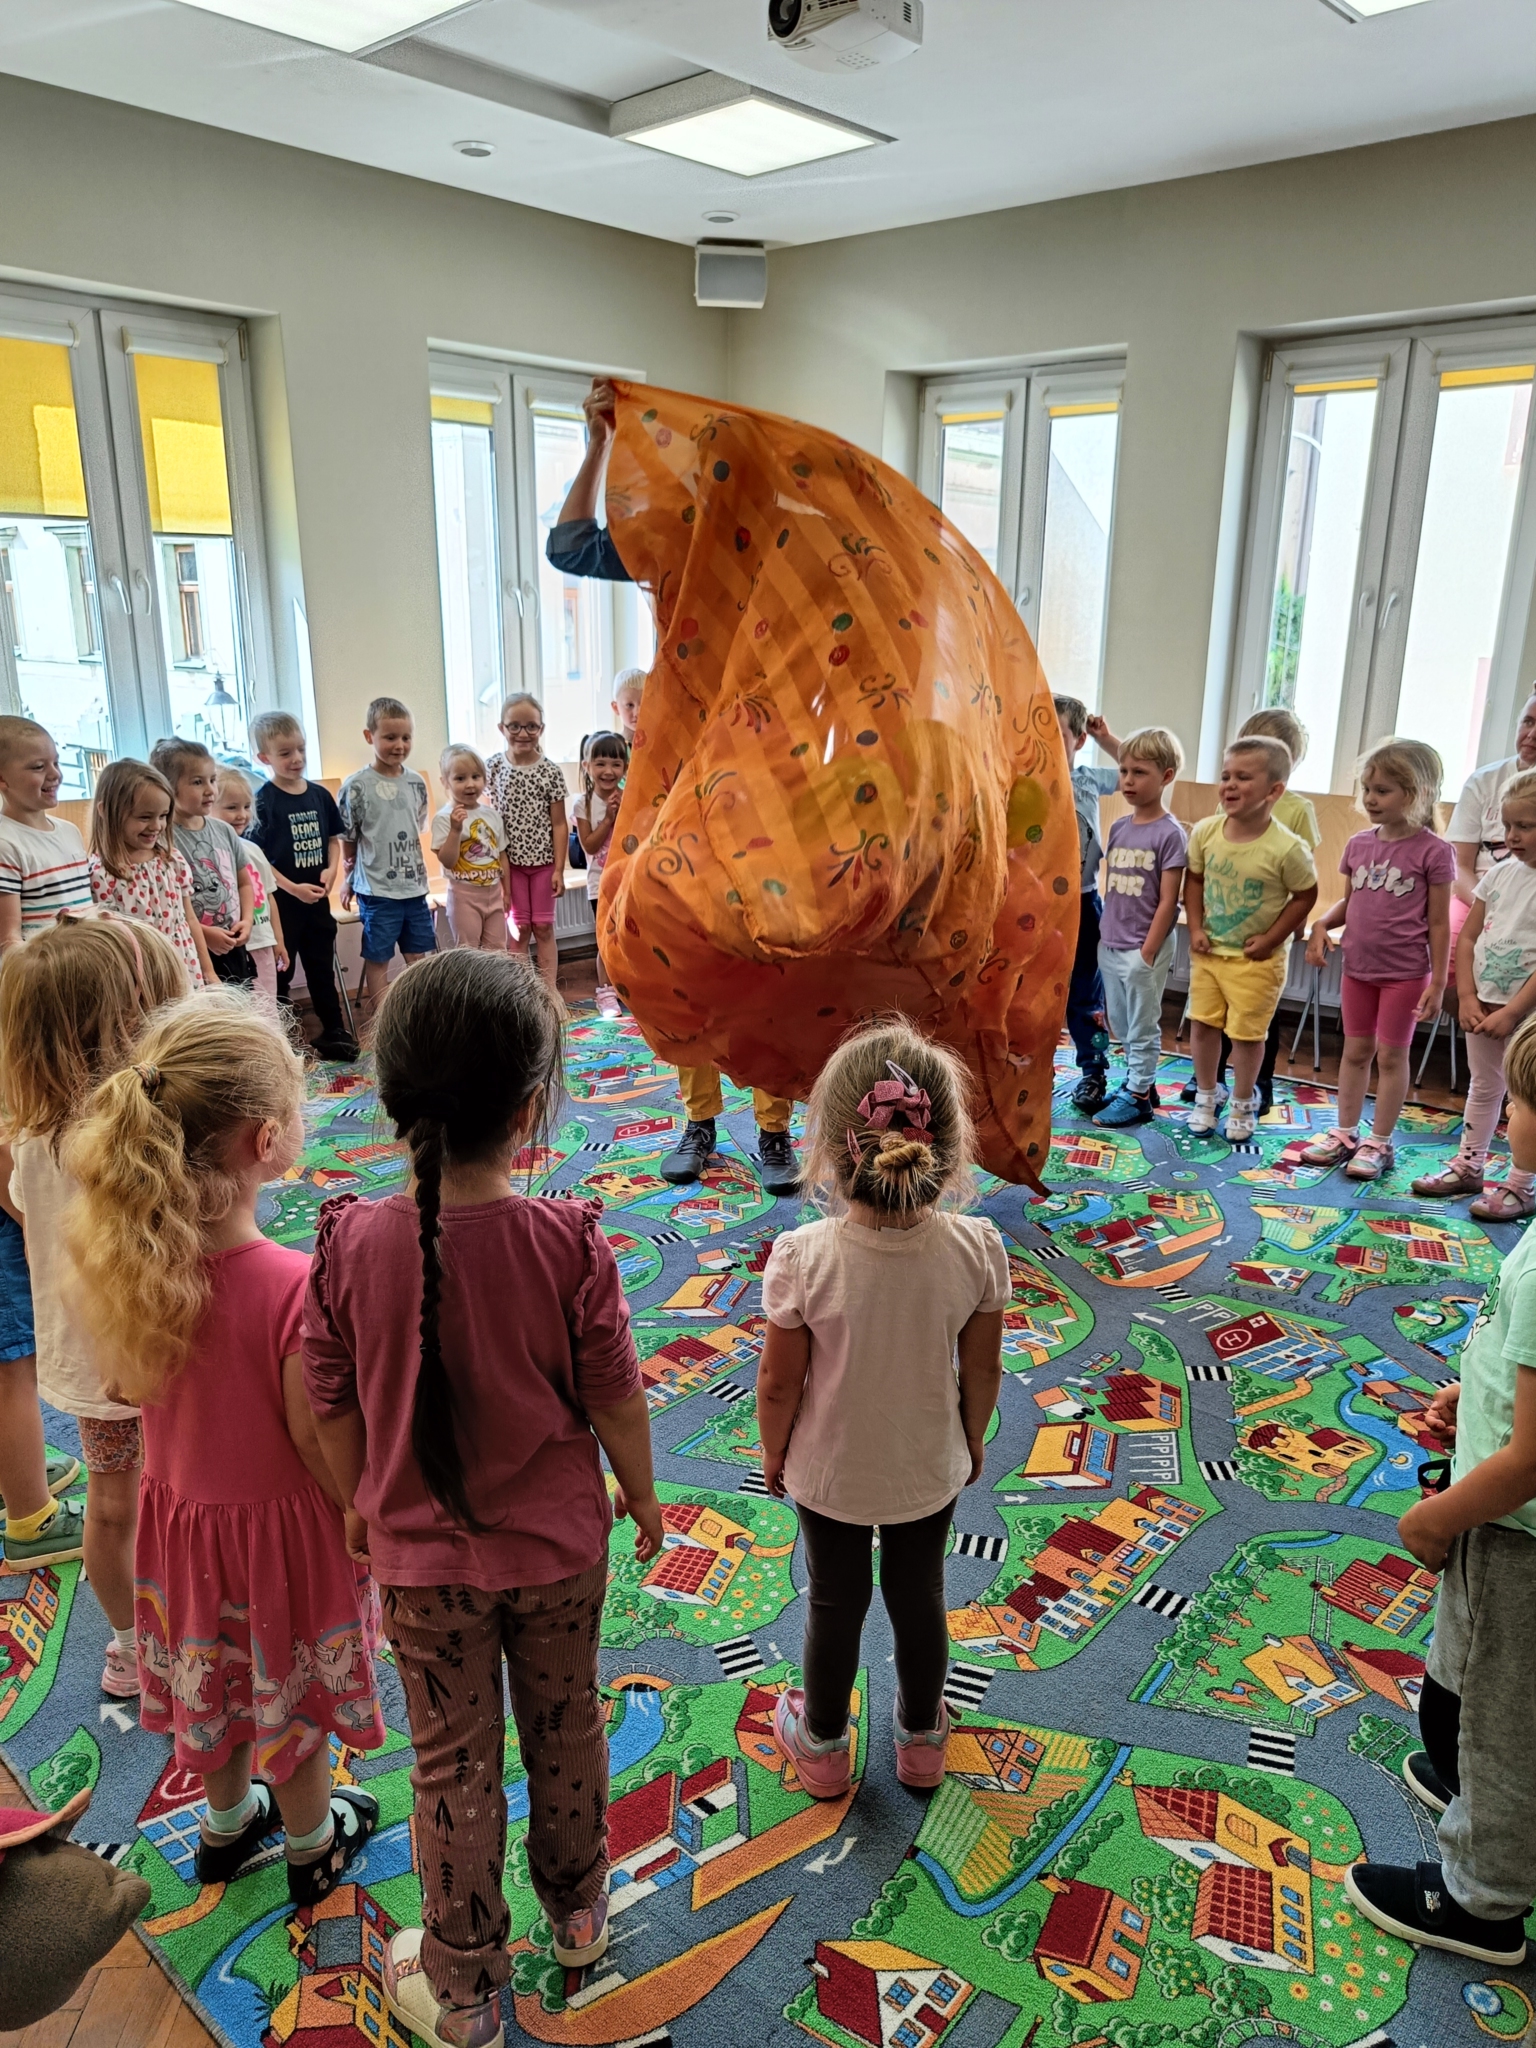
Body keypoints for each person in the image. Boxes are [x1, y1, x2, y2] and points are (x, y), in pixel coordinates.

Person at [300, 951, 663, 2047]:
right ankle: (579, 1914)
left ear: (394, 1100)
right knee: (566, 1725)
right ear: (527, 1108)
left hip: (423, 1571)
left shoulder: (348, 1241)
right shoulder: (568, 1239)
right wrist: (642, 1496)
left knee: (451, 1766)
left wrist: (357, 1501)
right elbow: (616, 1392)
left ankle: (462, 1991)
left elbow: (327, 1398)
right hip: (560, 1555)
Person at [64, 991, 384, 1901]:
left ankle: (226, 1822)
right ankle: (312, 1842)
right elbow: (313, 1437)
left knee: (218, 1685)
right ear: (266, 1139)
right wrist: (362, 1514)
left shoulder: (131, 1267)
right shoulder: (292, 1283)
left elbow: (122, 1391)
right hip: (281, 1546)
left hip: (185, 1533)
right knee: (291, 1694)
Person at [545, 378, 801, 1199]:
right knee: (680, 959)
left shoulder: (787, 553)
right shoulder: (673, 544)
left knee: (765, 968)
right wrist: (597, 443)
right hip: (681, 783)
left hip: (759, 789)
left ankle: (773, 1130)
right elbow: (569, 547)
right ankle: (699, 1120)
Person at [756, 1020, 1006, 1798]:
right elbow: (983, 1368)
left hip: (829, 1471)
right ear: (949, 1149)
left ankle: (823, 1746)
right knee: (919, 1594)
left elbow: (777, 1384)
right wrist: (971, 1439)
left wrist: (773, 1452)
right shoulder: (977, 1248)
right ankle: (922, 1739)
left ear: (831, 1152)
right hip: (927, 1464)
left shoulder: (804, 1257)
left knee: (834, 1601)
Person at [1346, 1013, 1536, 1968]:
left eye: (1520, 1102)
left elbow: (1533, 1458)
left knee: (1507, 1715)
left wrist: (1435, 1517)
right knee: (1472, 1679)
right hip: (1499, 1510)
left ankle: (1483, 1900)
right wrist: (1477, 1393)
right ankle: (1472, 1783)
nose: (1505, 1115)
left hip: (1513, 1530)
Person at [0, 918, 187, 1687]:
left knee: (114, 1507)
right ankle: (196, 1626)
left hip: (87, 1361)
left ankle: (130, 1647)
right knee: (184, 1491)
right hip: (167, 1352)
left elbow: (21, 1209)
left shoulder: (30, 1137)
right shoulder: (141, 1130)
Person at [1302, 741, 1453, 1181]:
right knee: (1354, 1052)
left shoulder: (1433, 851)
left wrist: (1438, 982)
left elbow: (1439, 923)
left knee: (1390, 1057)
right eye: (1367, 789)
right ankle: (1345, 1133)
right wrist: (1320, 924)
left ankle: (1380, 1142)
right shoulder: (1358, 845)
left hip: (1405, 974)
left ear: (1417, 793)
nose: (1370, 799)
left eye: (1382, 791)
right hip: (1358, 970)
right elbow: (1349, 904)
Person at [1180, 707, 1323, 1114]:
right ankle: (1208, 1088)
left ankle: (1252, 1091)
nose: (1230, 784)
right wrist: (1196, 927)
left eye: (1243, 777)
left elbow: (1304, 887)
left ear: (1274, 787)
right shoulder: (1212, 824)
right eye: (1227, 775)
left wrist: (1279, 934)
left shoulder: (1292, 829)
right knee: (1206, 1020)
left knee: (1251, 1027)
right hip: (1214, 946)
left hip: (1258, 951)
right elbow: (1200, 873)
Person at [1412, 767, 1536, 1219]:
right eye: (1507, 825)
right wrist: (1465, 996)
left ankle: (1521, 1185)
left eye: (1525, 826)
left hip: (1527, 1016)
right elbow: (1468, 937)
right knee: (1484, 1085)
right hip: (1483, 1003)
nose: (1511, 836)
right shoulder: (1499, 874)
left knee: (1527, 1099)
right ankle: (1469, 1165)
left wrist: (1514, 1012)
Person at [1092, 726, 1188, 1128]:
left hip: (1144, 948)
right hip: (1111, 942)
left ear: (1166, 776)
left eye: (1140, 772)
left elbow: (1169, 900)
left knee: (1142, 1025)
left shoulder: (1170, 834)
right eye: (1124, 771)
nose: (1128, 780)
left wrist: (1147, 951)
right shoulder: (1119, 827)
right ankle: (1140, 1083)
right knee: (1119, 1022)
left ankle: (1138, 1095)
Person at [249, 712, 358, 1061]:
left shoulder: (320, 795)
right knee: (282, 971)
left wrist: (332, 870)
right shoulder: (263, 801)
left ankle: (334, 1029)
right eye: (285, 753)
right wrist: (292, 888)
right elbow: (258, 858)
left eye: (301, 750)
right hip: (283, 906)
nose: (296, 758)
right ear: (264, 757)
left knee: (321, 967)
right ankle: (281, 1038)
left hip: (317, 902)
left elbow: (333, 840)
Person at [340, 697, 435, 1010]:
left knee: (418, 957)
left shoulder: (416, 783)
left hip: (414, 889)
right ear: (370, 736)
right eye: (390, 737)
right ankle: (383, 1020)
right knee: (378, 957)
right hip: (377, 892)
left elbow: (416, 827)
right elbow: (348, 839)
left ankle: (418, 1016)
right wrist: (348, 879)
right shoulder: (356, 787)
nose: (400, 745)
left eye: (406, 737)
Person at [87, 759, 215, 986]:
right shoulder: (101, 874)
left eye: (163, 816)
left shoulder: (171, 860)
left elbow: (190, 919)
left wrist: (209, 971)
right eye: (144, 817)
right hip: (139, 977)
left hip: (184, 966)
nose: (157, 826)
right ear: (106, 811)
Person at [1055, 701, 1120, 1114]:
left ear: (1079, 740)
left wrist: (1105, 739)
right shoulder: (1020, 777)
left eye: (1057, 734)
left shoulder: (1089, 779)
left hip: (1083, 903)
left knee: (1086, 997)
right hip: (1034, 909)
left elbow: (1143, 766)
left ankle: (1094, 1071)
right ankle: (1028, 1070)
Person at [151, 737, 256, 989]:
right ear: (169, 787)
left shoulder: (224, 830)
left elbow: (244, 882)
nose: (210, 790)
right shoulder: (162, 838)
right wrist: (205, 934)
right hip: (195, 948)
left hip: (233, 944)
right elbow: (172, 905)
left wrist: (247, 920)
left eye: (212, 779)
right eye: (198, 782)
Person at [484, 695, 567, 996]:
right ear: (502, 728)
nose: (523, 733)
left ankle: (549, 993)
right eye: (514, 726)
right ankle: (520, 995)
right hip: (510, 866)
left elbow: (559, 824)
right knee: (518, 930)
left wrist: (559, 869)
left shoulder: (550, 772)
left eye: (531, 726)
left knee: (543, 927)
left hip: (544, 865)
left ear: (541, 729)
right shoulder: (493, 768)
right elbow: (484, 818)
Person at [1446, 690, 1536, 944]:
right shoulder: (1482, 781)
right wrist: (1486, 907)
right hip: (1477, 894)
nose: (1532, 734)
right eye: (1528, 722)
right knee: (1451, 942)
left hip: (1529, 898)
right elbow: (1459, 864)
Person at [0, 716, 92, 950]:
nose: (55, 774)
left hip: (87, 960)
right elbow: (8, 940)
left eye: (56, 763)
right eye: (39, 767)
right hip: (45, 968)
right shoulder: (5, 844)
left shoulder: (70, 832)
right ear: (2, 779)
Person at [213, 768, 288, 1015]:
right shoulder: (211, 853)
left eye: (246, 807)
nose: (242, 815)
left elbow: (269, 896)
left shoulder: (253, 849)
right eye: (231, 807)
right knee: (241, 1012)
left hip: (263, 943)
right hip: (234, 948)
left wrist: (278, 940)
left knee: (267, 1008)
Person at [431, 745, 509, 951]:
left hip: (494, 893)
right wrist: (455, 830)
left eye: (476, 776)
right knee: (468, 951)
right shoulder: (444, 818)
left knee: (498, 951)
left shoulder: (492, 815)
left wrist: (507, 892)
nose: (470, 784)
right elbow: (447, 861)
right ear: (445, 781)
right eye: (460, 778)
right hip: (464, 895)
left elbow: (501, 855)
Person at [574, 730, 628, 1016]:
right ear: (587, 766)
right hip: (600, 884)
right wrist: (609, 818)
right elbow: (590, 846)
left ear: (625, 767)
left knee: (629, 937)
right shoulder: (583, 804)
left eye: (616, 764)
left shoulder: (630, 797)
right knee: (606, 940)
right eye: (600, 763)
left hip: (628, 880)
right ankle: (606, 993)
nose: (608, 771)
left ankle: (629, 988)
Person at [611, 668, 646, 747]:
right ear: (616, 708)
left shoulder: (661, 744)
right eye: (630, 705)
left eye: (644, 704)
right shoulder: (613, 748)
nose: (637, 713)